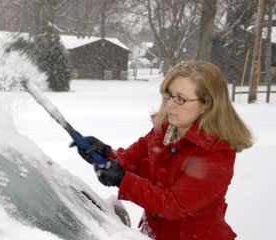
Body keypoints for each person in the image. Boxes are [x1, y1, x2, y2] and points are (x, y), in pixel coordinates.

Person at [72, 61, 253, 240]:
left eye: (180, 99)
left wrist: (121, 179)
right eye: (169, 95)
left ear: (206, 104)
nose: (170, 105)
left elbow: (174, 205)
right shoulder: (163, 131)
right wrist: (106, 155)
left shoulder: (216, 153)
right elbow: (132, 161)